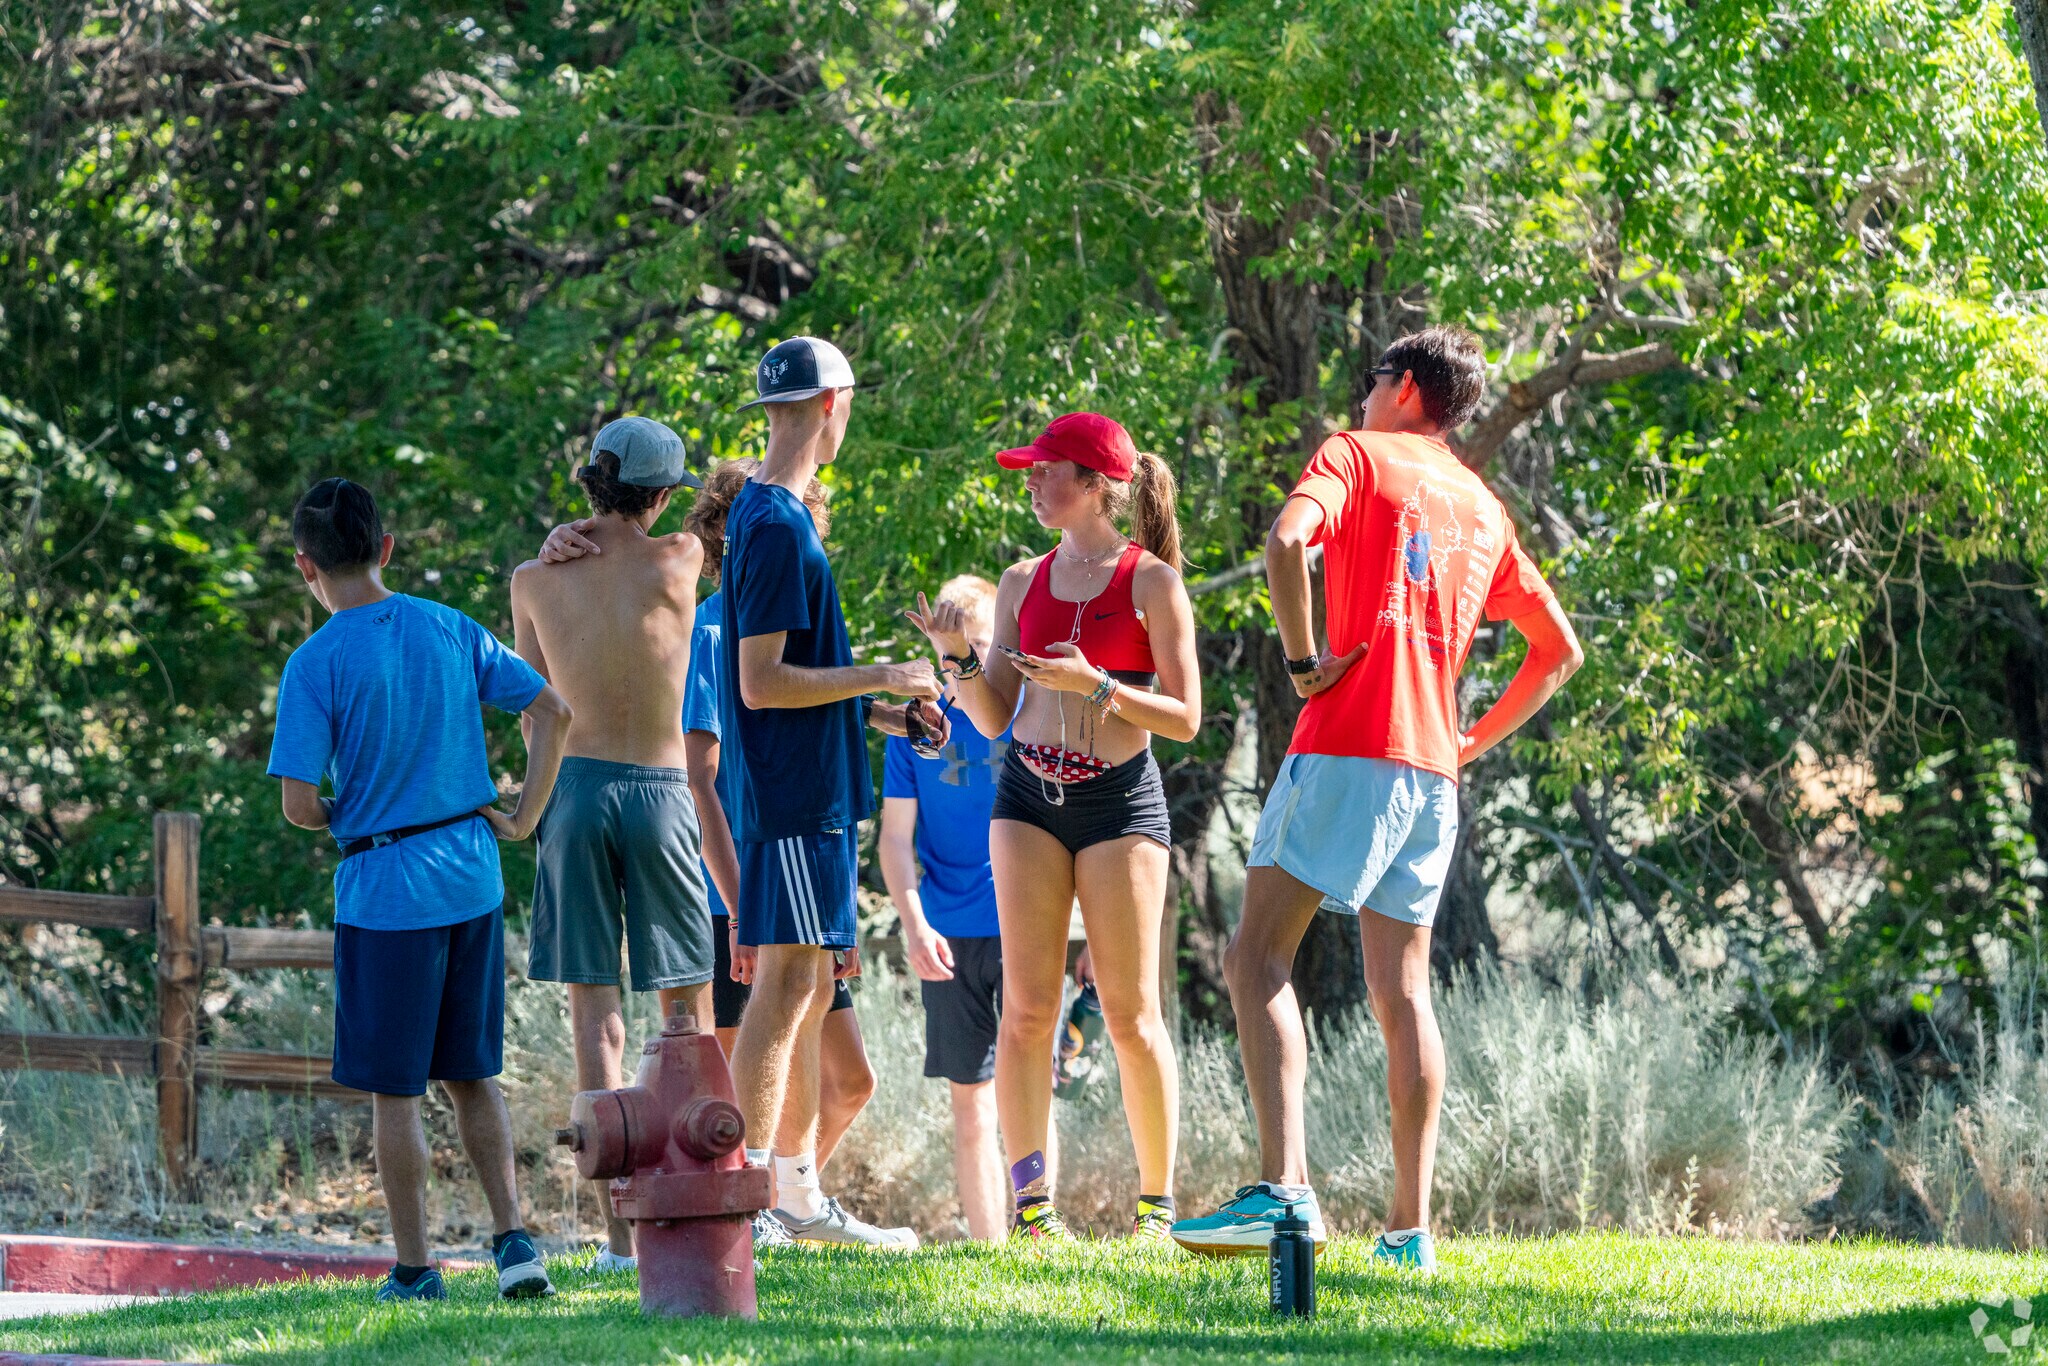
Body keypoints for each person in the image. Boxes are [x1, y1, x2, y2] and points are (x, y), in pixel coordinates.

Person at [1169, 326, 1584, 1271]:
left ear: (1402, 388)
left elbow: (1285, 542)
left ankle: (1284, 1197)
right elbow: (1560, 651)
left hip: (1351, 743)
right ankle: (1409, 1235)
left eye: (1371, 381)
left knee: (1255, 959)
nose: (1362, 397)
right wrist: (1469, 741)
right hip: (1432, 775)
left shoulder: (1355, 454)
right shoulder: (1483, 506)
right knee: (1403, 993)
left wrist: (1305, 661)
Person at [268, 478, 572, 1303]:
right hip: (470, 876)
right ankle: (516, 1245)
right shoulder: (449, 627)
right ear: (387, 549)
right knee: (473, 1075)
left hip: (384, 892)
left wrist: (342, 809)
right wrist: (520, 817)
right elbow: (553, 711)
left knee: (395, 1087)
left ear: (306, 566)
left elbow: (299, 805)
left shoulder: (315, 662)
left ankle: (415, 1270)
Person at [910, 412, 1200, 1242]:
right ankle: (1034, 1214)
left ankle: (1155, 1209)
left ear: (1096, 485)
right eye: (1030, 471)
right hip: (1028, 800)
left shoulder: (1150, 583)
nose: (1031, 481)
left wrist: (1098, 684)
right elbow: (996, 716)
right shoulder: (1018, 580)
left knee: (1130, 1011)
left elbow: (1185, 718)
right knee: (1029, 1013)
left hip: (1119, 802)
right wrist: (957, 661)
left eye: (1045, 470)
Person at [509, 416, 715, 1274]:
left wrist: (573, 535)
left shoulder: (532, 576)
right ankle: (698, 1210)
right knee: (685, 1013)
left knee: (597, 1017)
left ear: (588, 483)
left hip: (574, 790)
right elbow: (712, 513)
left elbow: (535, 709)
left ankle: (620, 1241)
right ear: (664, 494)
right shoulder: (684, 560)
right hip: (662, 792)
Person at [878, 574, 1019, 1242]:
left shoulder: (1025, 712)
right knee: (971, 1104)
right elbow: (895, 842)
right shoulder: (911, 730)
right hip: (946, 933)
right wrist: (914, 924)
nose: (962, 669)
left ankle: (1038, 1236)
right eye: (950, 654)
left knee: (1027, 1091)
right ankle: (992, 1247)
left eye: (979, 650)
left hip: (1027, 925)